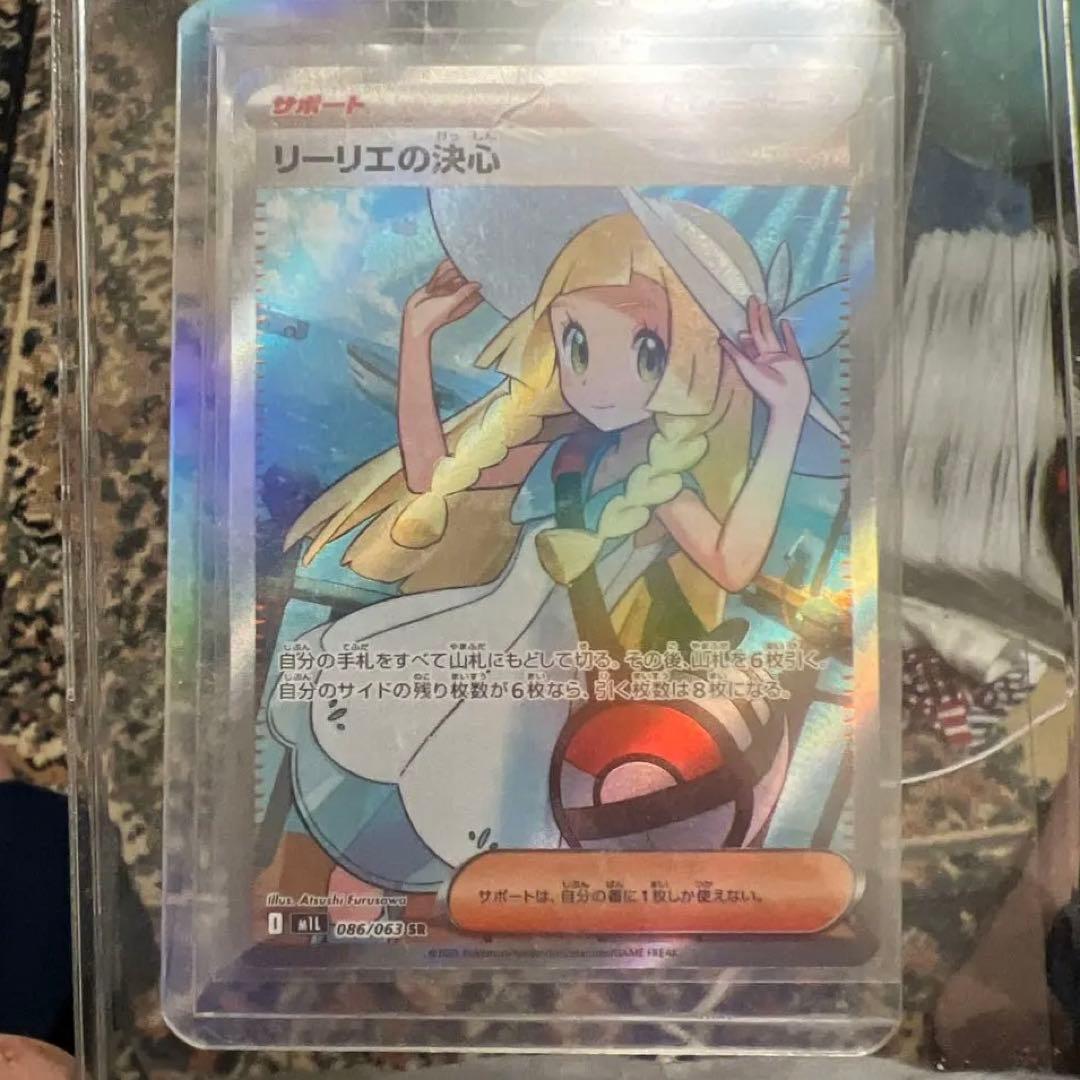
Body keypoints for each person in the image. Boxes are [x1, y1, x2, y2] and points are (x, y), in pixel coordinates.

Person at [269, 205, 828, 910]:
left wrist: (786, 417)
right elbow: (432, 477)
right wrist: (417, 337)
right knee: (371, 858)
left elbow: (733, 564)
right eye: (576, 343)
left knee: (447, 851)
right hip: (477, 656)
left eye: (647, 351)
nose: (597, 380)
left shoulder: (661, 478)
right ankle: (346, 941)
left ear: (691, 356)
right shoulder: (569, 449)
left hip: (550, 705)